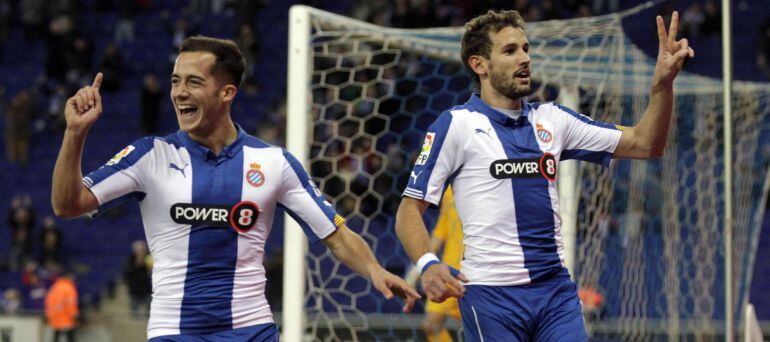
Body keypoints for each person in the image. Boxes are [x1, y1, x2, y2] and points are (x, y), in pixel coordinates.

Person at [51, 36, 420, 341]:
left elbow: (335, 234)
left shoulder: (273, 162)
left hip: (250, 330)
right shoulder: (151, 155)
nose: (179, 92)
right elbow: (67, 205)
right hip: (174, 331)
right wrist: (75, 133)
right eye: (176, 81)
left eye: (193, 82)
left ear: (227, 92)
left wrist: (374, 270)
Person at [395, 10, 693, 341]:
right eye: (510, 51)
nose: (524, 58)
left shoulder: (553, 120)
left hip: (555, 295)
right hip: (491, 297)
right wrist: (427, 263)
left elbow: (646, 143)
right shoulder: (455, 125)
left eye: (525, 48)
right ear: (479, 65)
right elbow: (409, 210)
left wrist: (662, 85)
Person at [405, 187, 463, 342]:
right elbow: (440, 231)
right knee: (431, 325)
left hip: (479, 267)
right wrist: (421, 265)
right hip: (450, 271)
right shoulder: (450, 190)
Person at [45, 272, 78, 342]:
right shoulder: (69, 288)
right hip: (66, 317)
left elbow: (48, 301)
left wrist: (49, 314)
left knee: (56, 336)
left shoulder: (54, 287)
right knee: (70, 336)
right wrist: (74, 315)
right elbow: (71, 303)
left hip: (55, 316)